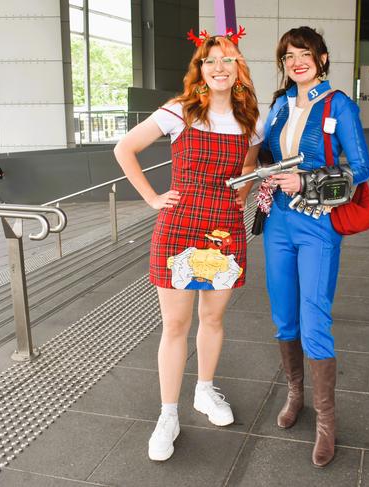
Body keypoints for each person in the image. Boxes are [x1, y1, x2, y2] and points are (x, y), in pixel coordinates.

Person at [113, 28, 262, 462]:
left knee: (212, 319)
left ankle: (203, 391)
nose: (220, 67)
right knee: (176, 325)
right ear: (200, 70)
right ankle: (168, 413)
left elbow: (248, 167)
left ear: (238, 70)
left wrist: (240, 197)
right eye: (211, 60)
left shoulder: (249, 120)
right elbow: (125, 148)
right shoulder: (179, 112)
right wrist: (152, 198)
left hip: (225, 226)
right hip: (179, 225)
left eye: (228, 59)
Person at [261, 26, 369, 467]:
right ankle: (296, 396)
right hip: (278, 224)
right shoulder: (278, 105)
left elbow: (361, 167)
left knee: (314, 317)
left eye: (304, 53)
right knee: (283, 315)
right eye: (288, 56)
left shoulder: (339, 104)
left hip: (317, 223)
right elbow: (261, 153)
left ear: (322, 58)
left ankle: (326, 420)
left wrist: (306, 179)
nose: (295, 61)